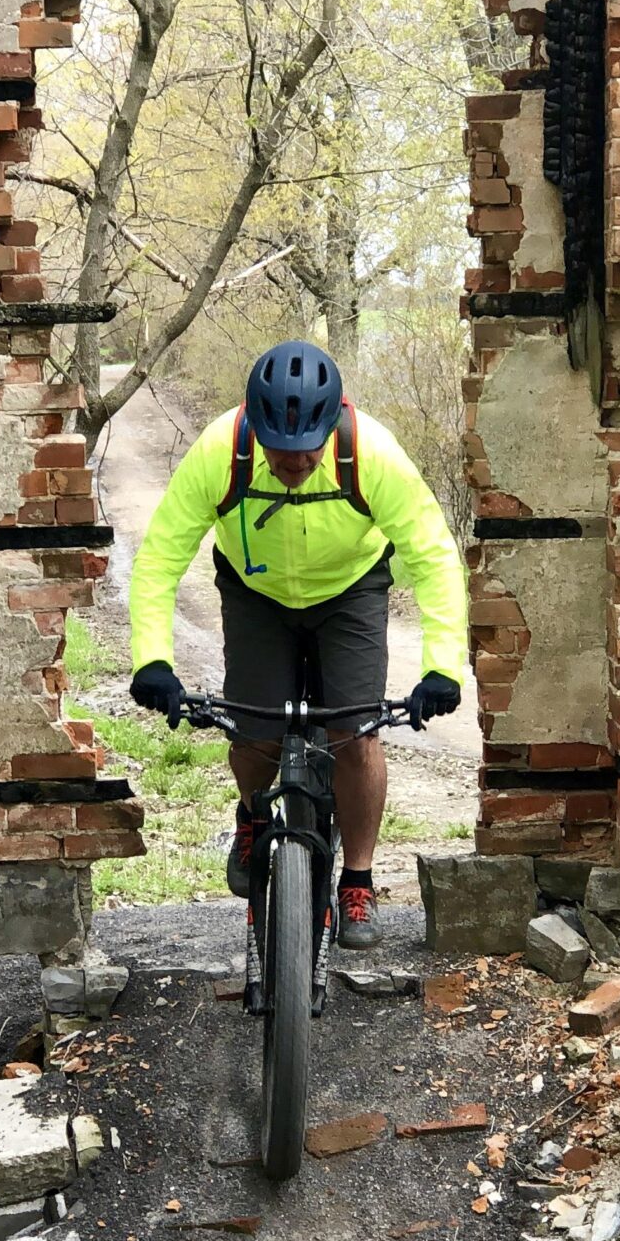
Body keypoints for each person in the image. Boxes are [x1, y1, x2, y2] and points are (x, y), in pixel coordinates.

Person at [126, 341, 468, 949]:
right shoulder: (219, 451)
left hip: (351, 589)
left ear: (332, 422)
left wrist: (442, 667)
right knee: (253, 729)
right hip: (256, 595)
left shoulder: (371, 454)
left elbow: (435, 557)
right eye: (281, 453)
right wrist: (153, 659)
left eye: (308, 450)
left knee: (356, 735)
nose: (295, 462)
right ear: (256, 430)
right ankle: (253, 817)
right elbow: (158, 561)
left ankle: (357, 879)